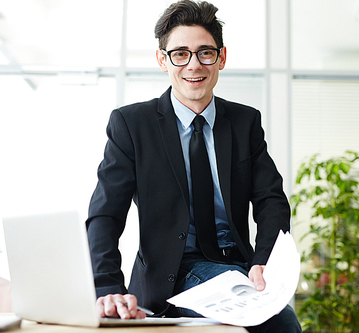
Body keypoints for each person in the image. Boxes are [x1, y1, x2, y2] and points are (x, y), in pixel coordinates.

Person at [85, 1, 301, 332]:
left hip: (236, 265)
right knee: (277, 325)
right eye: (180, 54)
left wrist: (264, 261)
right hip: (172, 272)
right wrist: (108, 287)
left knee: (278, 320)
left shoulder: (245, 123)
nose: (193, 65)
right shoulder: (132, 124)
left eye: (205, 53)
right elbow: (106, 213)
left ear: (221, 57)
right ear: (163, 60)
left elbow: (271, 199)